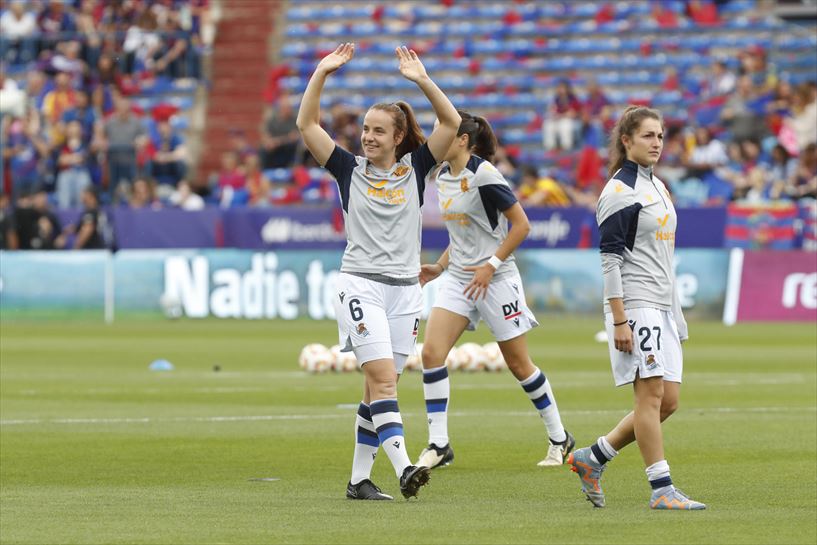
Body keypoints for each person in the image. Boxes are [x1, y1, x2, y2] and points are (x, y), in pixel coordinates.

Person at [296, 43, 460, 501]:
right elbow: (307, 125)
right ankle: (406, 467)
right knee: (385, 381)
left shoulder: (417, 169)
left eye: (377, 131)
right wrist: (321, 72)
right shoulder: (348, 169)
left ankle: (358, 481)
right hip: (361, 286)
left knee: (377, 388)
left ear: (398, 135)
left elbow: (451, 124)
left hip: (406, 292)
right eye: (365, 129)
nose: (367, 137)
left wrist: (422, 80)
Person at [415, 111, 574, 471]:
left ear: (463, 141)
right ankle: (439, 445)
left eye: (446, 133)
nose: (438, 139)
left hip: (497, 280)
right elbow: (464, 235)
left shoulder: (484, 174)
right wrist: (440, 266)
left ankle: (560, 437)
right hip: (458, 278)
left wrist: (491, 265)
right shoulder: (441, 176)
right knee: (431, 353)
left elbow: (521, 226)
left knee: (519, 364)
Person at [567, 105, 706, 511]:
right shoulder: (619, 191)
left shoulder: (658, 187)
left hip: (661, 304)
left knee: (669, 401)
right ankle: (661, 489)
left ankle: (593, 457)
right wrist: (620, 318)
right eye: (648, 135)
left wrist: (676, 313)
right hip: (636, 304)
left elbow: (665, 253)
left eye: (660, 135)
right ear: (626, 140)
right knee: (649, 396)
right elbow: (610, 259)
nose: (657, 143)